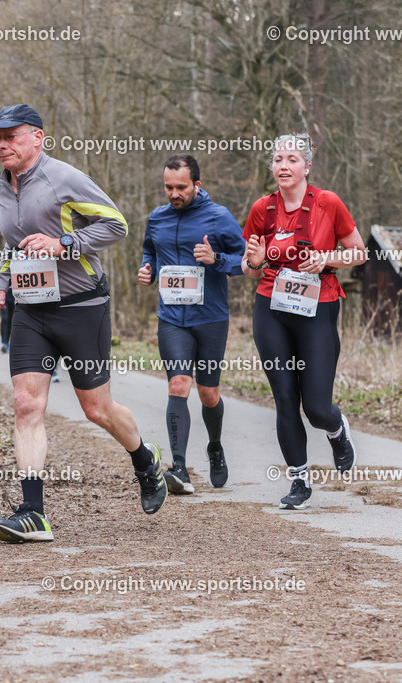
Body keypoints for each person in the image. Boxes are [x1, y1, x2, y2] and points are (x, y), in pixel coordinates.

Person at [0, 104, 166, 543]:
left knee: (96, 408)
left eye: (11, 136)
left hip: (82, 305)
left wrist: (64, 242)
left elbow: (115, 224)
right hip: (30, 308)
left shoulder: (63, 177)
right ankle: (33, 512)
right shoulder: (0, 190)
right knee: (26, 403)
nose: (2, 144)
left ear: (38, 137)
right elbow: (14, 245)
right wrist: (2, 277)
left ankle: (144, 458)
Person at [241, 133, 365, 509]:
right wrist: (256, 261)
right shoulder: (262, 208)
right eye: (278, 159)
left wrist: (328, 259)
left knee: (315, 407)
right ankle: (299, 480)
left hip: (318, 306)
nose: (283, 166)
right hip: (271, 308)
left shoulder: (329, 203)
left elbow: (359, 253)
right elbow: (247, 267)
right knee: (283, 399)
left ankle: (337, 429)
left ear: (307, 166)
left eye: (292, 159)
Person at [138, 154, 247, 494]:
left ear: (197, 185)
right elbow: (150, 252)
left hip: (211, 318)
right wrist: (148, 269)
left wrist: (216, 260)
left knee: (208, 392)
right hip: (172, 318)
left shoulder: (219, 217)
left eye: (181, 187)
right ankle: (180, 469)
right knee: (179, 384)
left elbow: (244, 261)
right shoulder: (157, 218)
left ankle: (215, 447)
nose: (174, 193)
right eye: (169, 187)